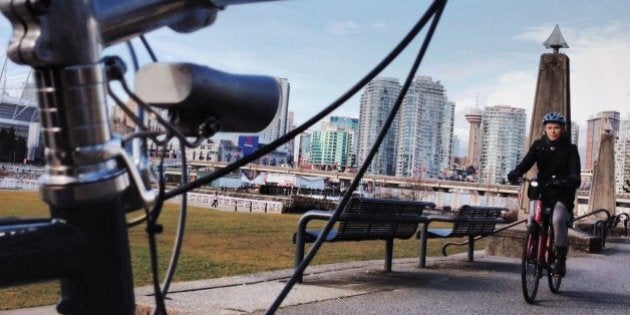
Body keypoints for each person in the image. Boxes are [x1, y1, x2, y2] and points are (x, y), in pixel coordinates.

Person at [508, 111, 581, 276]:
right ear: (545, 129)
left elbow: (575, 174)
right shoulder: (538, 145)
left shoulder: (570, 149)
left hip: (562, 191)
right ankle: (533, 250)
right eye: (549, 127)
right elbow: (526, 163)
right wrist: (516, 172)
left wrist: (570, 180)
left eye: (556, 128)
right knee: (533, 217)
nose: (553, 131)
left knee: (557, 219)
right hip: (541, 189)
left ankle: (560, 260)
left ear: (563, 130)